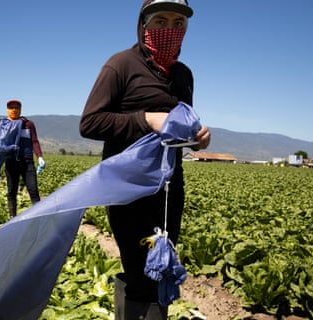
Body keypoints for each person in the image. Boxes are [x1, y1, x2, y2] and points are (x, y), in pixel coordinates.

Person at [79, 1, 211, 319]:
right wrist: (145, 119)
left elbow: (176, 126)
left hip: (168, 189)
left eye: (178, 23)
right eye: (161, 20)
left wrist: (197, 136)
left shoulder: (183, 75)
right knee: (139, 273)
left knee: (161, 267)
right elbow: (90, 123)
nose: (170, 29)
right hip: (128, 189)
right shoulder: (120, 65)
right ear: (143, 24)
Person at [4, 99, 46, 218]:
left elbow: (34, 141)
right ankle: (12, 217)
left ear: (20, 109)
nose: (14, 110)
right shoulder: (5, 124)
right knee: (12, 191)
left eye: (16, 107)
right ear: (7, 110)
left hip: (27, 162)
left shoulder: (28, 124)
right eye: (11, 107)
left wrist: (39, 157)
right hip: (11, 162)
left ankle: (38, 218)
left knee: (33, 190)